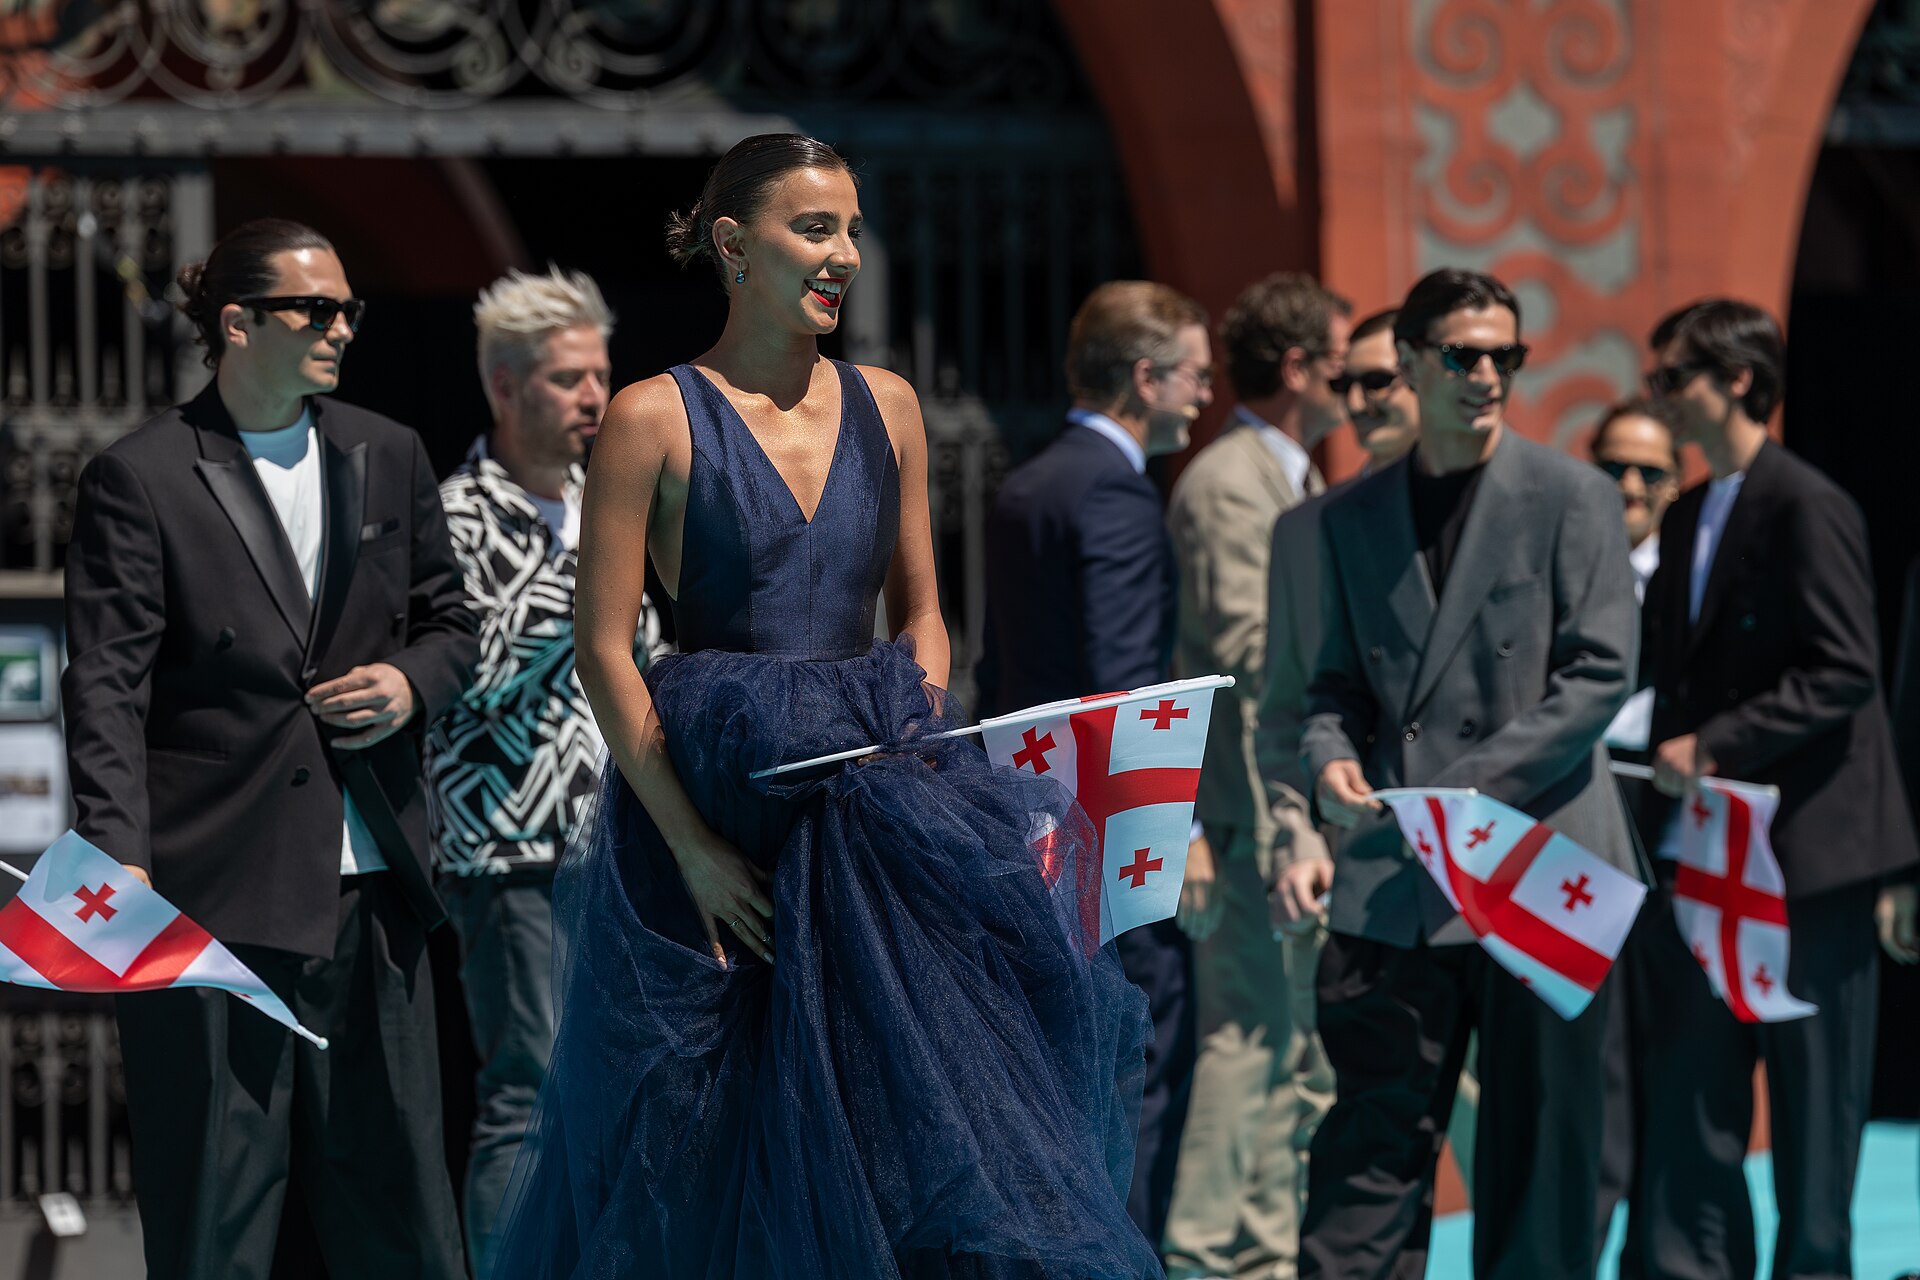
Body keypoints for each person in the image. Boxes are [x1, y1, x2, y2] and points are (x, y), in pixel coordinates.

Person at [487, 134, 1160, 1280]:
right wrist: (692, 850)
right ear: (734, 245)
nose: (844, 253)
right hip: (713, 807)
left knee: (912, 1114)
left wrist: (914, 726)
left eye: (852, 228)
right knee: (710, 1130)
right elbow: (605, 650)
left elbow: (927, 612)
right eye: (816, 229)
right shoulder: (652, 413)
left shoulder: (888, 404)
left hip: (880, 808)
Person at [61, 218, 476, 1279]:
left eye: (350, 309)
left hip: (374, 883)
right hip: (212, 893)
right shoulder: (140, 475)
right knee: (217, 1209)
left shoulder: (389, 452)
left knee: (403, 1207)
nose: (342, 327)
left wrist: (406, 682)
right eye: (317, 309)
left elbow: (450, 627)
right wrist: (120, 858)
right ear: (238, 323)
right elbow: (106, 683)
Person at [1278, 267, 1640, 1279]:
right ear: (1411, 363)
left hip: (1543, 869)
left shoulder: (1578, 495)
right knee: (1369, 1153)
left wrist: (1463, 787)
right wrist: (1330, 758)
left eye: (1506, 356)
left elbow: (1601, 672)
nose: (1488, 373)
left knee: (1542, 1165)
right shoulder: (1348, 518)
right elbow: (1333, 684)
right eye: (1464, 354)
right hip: (1398, 876)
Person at [1634, 299, 1920, 1280]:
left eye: (1673, 378)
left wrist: (1714, 741)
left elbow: (1846, 668)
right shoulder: (1684, 511)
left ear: (1740, 381)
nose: (1657, 399)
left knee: (1815, 1103)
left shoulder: (1808, 501)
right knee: (1695, 1093)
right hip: (1706, 853)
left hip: (1809, 856)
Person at [425, 265, 667, 1271]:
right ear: (504, 385)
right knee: (527, 1087)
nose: (595, 398)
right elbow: (457, 673)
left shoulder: (603, 504)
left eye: (601, 375)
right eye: (568, 379)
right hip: (508, 852)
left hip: (615, 847)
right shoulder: (454, 516)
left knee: (617, 1082)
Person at [978, 278, 1213, 1248]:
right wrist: (1181, 835)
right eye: (1195, 375)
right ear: (1146, 376)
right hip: (1113, 849)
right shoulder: (1114, 491)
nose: (1205, 396)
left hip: (1033, 829)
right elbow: (1125, 686)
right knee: (1140, 1076)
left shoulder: (1029, 479)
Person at [1162, 272, 1350, 1280]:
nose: (1355, 383)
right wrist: (1287, 826)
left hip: (1278, 811)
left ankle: (1267, 1252)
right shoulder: (1234, 481)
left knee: (1288, 1043)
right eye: (1341, 360)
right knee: (1247, 1035)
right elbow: (1246, 661)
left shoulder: (1289, 475)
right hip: (1250, 817)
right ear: (1297, 367)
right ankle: (1201, 1252)